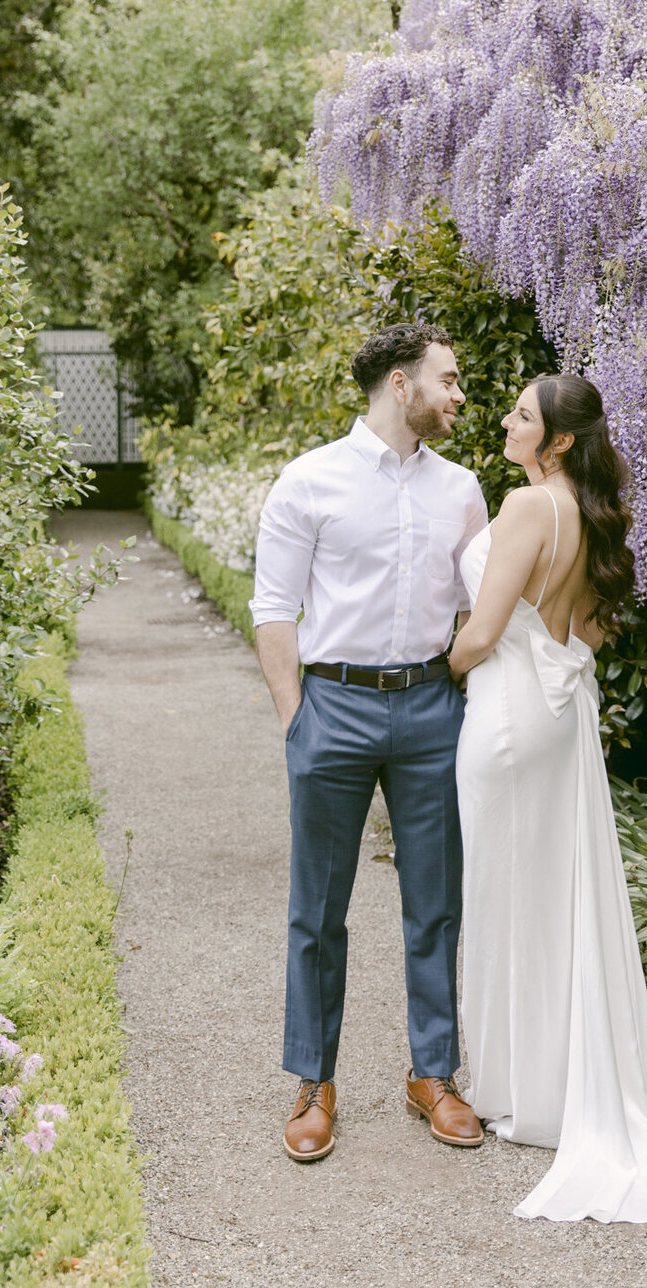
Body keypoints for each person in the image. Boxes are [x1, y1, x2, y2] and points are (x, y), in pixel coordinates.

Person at [449, 373, 647, 1222]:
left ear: (558, 442)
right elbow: (587, 631)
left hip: (507, 714)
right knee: (551, 900)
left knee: (503, 899)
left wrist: (442, 670)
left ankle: (516, 1090)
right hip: (557, 714)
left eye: (521, 416)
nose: (506, 422)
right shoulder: (591, 514)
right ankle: (541, 1086)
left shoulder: (525, 508)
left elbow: (481, 629)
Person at [251, 322, 489, 1163]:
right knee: (317, 911)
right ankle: (314, 1081)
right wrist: (298, 721)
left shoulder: (462, 489)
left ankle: (435, 1072)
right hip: (335, 709)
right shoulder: (308, 481)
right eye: (449, 379)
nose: (460, 395)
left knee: (437, 902)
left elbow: (479, 611)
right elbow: (274, 609)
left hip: (431, 709)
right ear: (401, 384)